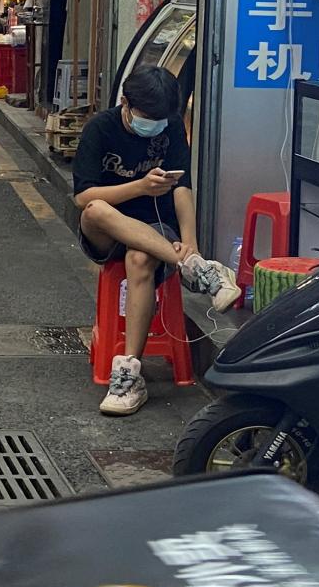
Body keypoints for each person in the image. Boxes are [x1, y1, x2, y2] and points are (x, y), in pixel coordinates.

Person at [74, 65, 240, 416]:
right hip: (105, 232)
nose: (155, 125)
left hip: (156, 227)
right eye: (148, 118)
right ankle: (194, 270)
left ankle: (129, 374)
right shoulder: (100, 129)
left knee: (139, 260)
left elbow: (182, 187)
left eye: (162, 119)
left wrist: (190, 241)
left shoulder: (172, 127)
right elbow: (82, 196)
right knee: (94, 210)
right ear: (125, 104)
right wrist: (139, 187)